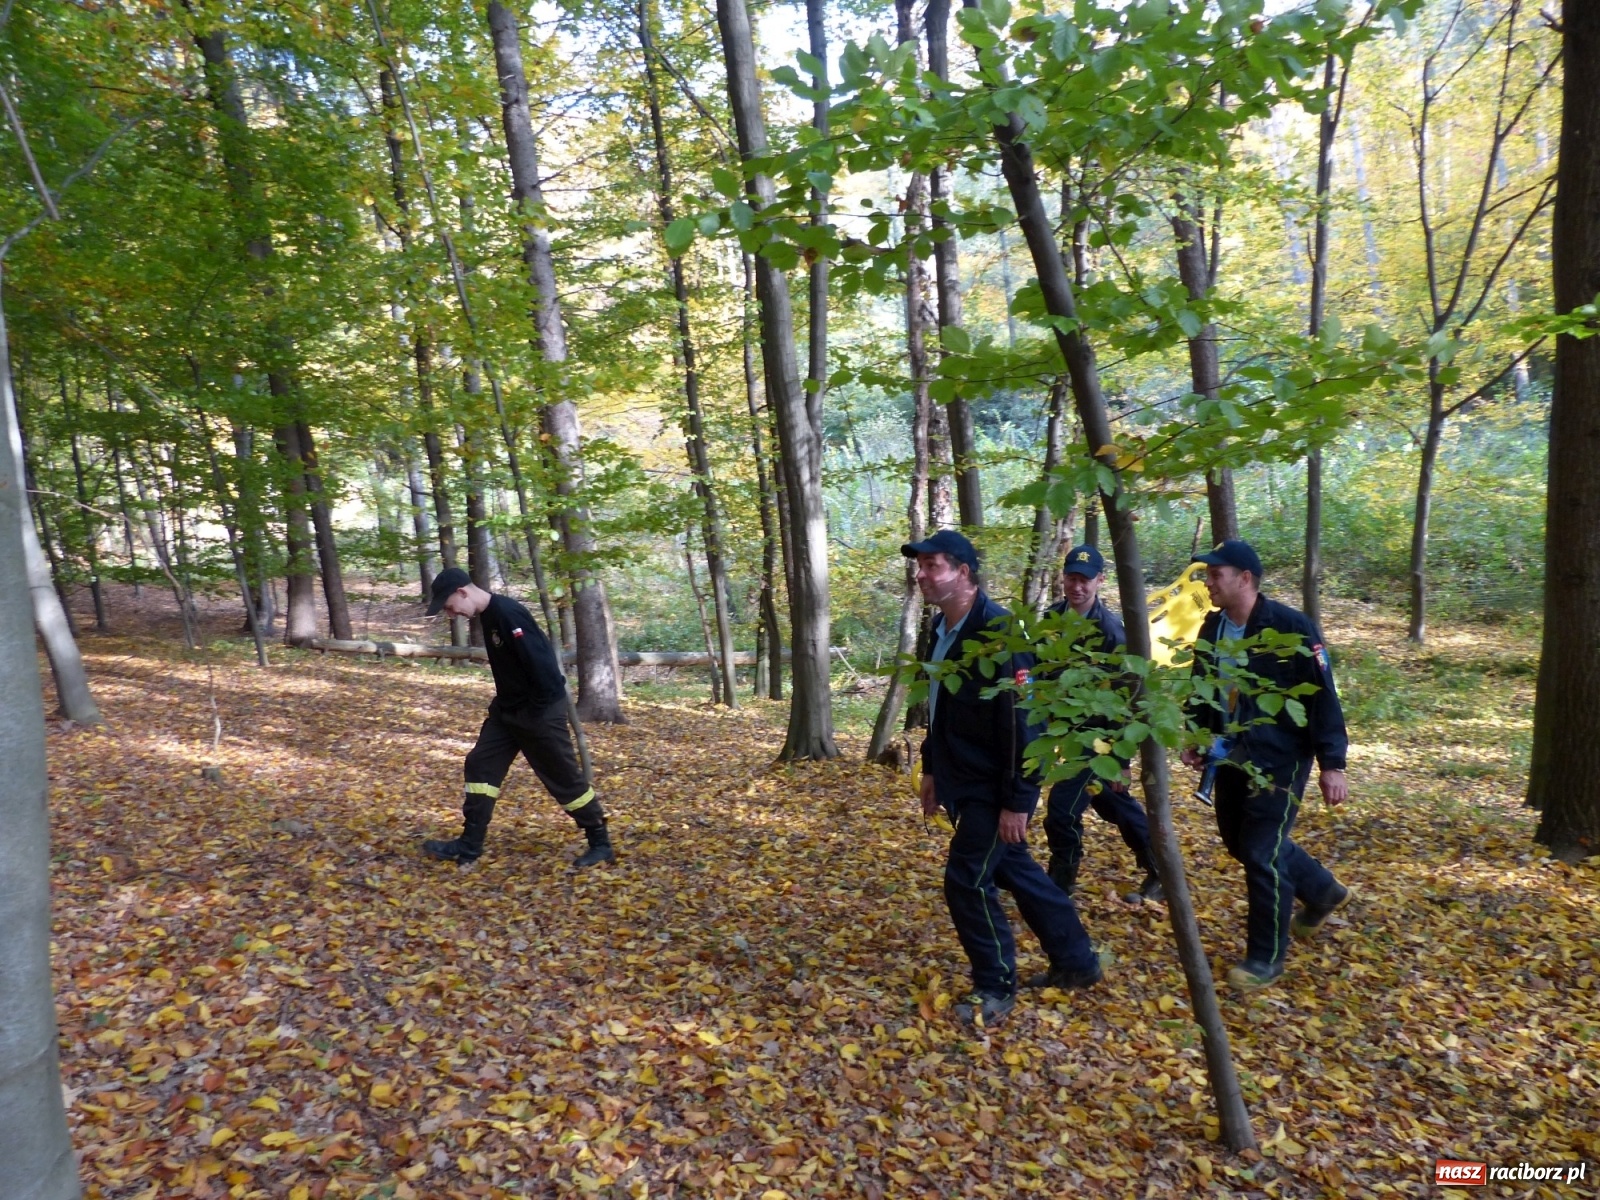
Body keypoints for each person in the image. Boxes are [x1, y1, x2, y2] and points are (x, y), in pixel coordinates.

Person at [906, 529, 1103, 1026]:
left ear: (964, 573)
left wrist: (1019, 801)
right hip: (962, 777)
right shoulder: (941, 629)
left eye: (933, 566)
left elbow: (1024, 725)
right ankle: (1077, 962)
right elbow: (940, 708)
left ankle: (995, 986)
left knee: (967, 881)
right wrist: (932, 767)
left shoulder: (1001, 633)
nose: (922, 575)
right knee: (1016, 870)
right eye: (920, 566)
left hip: (995, 788)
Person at [1179, 539, 1352, 991]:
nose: (1208, 583)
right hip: (1228, 756)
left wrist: (1333, 763)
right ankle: (1321, 890)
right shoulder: (1212, 629)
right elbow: (1201, 688)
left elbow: (1323, 696)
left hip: (1279, 758)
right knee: (1242, 844)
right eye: (1207, 574)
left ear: (1245, 579)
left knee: (1260, 852)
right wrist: (1196, 736)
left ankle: (1265, 959)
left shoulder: (1291, 628)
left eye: (1216, 575)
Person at [419, 567, 615, 869]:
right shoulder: (488, 616)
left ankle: (600, 842)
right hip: (508, 712)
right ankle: (469, 845)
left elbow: (546, 671)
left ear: (462, 592)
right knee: (480, 764)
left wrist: (534, 713)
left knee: (563, 778)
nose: (451, 613)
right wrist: (505, 707)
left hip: (539, 712)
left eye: (449, 606)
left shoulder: (508, 614)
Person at [1040, 544, 1164, 905]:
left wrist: (1120, 760)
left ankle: (1059, 884)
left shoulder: (1112, 632)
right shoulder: (1052, 619)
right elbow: (1038, 670)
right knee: (1113, 805)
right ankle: (1161, 869)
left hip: (1098, 738)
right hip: (1061, 730)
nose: (1077, 586)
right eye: (1071, 578)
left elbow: (1128, 699)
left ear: (1099, 581)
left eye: (1085, 580)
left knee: (1061, 810)